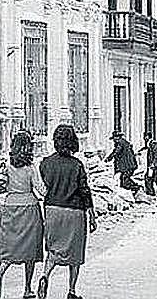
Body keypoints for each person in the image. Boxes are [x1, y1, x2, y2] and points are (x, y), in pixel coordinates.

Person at [38, 125, 96, 299]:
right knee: (75, 253)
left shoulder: (45, 163)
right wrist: (92, 214)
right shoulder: (77, 165)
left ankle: (44, 276)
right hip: (74, 212)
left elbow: (41, 188)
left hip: (52, 210)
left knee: (53, 250)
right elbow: (84, 190)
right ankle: (71, 291)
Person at [0, 131, 45, 299]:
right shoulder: (31, 167)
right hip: (29, 207)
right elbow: (41, 190)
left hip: (9, 207)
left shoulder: (6, 166)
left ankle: (0, 273)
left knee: (10, 247)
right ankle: (27, 288)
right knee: (29, 250)